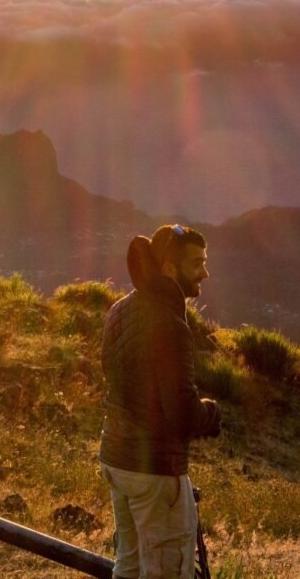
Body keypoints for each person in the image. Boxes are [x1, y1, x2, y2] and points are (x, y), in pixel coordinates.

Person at [99, 224, 221, 579]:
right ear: (169, 268)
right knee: (167, 571)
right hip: (154, 471)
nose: (205, 272)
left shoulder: (119, 310)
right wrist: (212, 414)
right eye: (196, 263)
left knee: (129, 565)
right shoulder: (169, 323)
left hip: (117, 458)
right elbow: (182, 413)